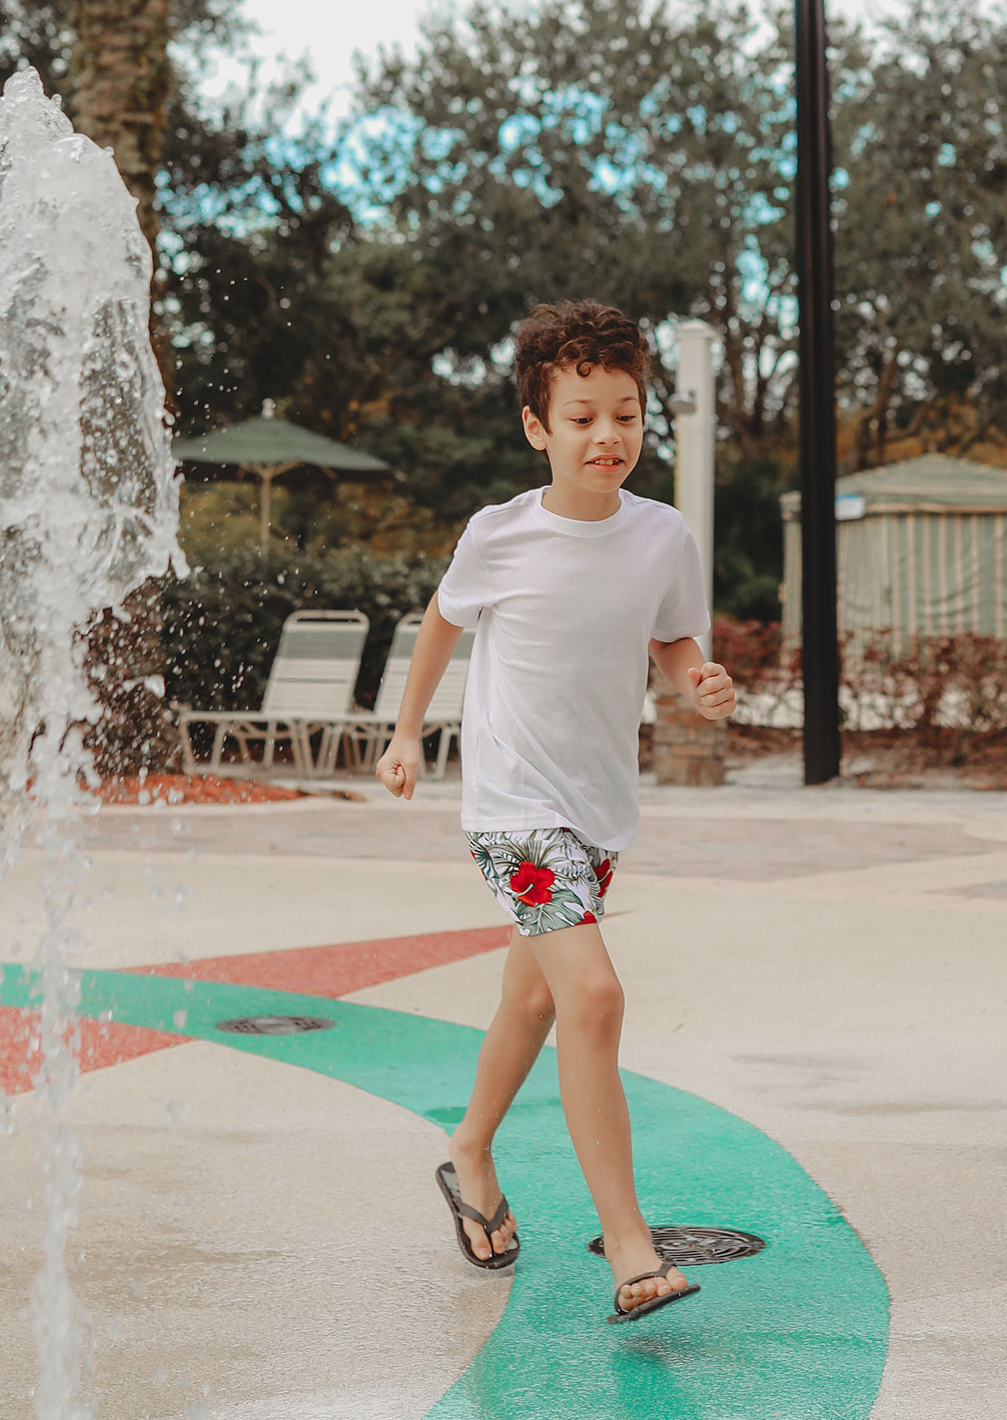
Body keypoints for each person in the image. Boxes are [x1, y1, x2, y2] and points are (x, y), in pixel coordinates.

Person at [376, 299, 737, 1325]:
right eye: (581, 417)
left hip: (597, 810)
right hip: (512, 803)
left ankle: (469, 1151)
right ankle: (631, 1251)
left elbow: (672, 642)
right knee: (593, 999)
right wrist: (408, 735)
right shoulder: (499, 534)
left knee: (533, 1001)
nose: (607, 436)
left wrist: (697, 677)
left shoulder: (664, 536)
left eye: (624, 414)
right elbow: (442, 623)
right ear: (539, 427)